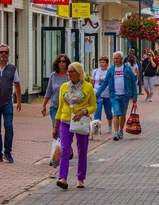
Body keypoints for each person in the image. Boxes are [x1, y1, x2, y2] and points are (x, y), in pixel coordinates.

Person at [53, 62, 97, 190]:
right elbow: (60, 107)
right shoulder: (64, 87)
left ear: (79, 73)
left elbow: (93, 106)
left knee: (82, 151)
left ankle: (80, 178)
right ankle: (63, 178)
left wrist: (83, 111)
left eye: (71, 71)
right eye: (68, 71)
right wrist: (56, 126)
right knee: (65, 150)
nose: (69, 74)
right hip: (66, 121)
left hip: (81, 122)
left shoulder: (88, 87)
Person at [96, 52, 138, 141]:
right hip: (114, 95)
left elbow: (133, 82)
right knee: (116, 113)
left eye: (117, 58)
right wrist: (97, 94)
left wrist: (135, 95)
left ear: (121, 59)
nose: (115, 60)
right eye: (114, 58)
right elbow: (105, 83)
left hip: (125, 95)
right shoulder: (111, 70)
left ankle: (120, 131)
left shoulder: (127, 69)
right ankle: (116, 133)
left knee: (122, 114)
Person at [42, 54, 71, 128]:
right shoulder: (53, 76)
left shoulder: (70, 76)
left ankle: (62, 139)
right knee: (56, 126)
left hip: (67, 107)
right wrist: (44, 105)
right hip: (54, 106)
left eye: (63, 61)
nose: (61, 63)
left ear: (67, 63)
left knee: (65, 128)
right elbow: (48, 92)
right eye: (59, 61)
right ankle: (57, 139)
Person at [91, 56, 112, 132]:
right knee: (97, 112)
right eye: (100, 62)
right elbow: (92, 82)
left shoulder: (110, 71)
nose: (102, 64)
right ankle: (97, 129)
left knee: (108, 112)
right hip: (98, 95)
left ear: (107, 63)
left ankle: (109, 125)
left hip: (107, 95)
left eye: (103, 62)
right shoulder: (96, 71)